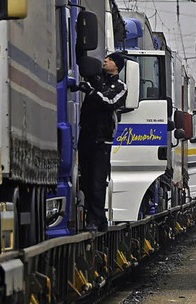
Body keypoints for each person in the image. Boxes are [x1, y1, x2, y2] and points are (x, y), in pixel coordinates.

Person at [74, 52, 128, 233]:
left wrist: (91, 91)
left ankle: (95, 220)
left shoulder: (120, 86)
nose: (105, 60)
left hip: (102, 140)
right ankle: (99, 219)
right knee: (87, 181)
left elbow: (109, 102)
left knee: (97, 181)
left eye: (110, 59)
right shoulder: (96, 81)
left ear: (117, 66)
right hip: (86, 136)